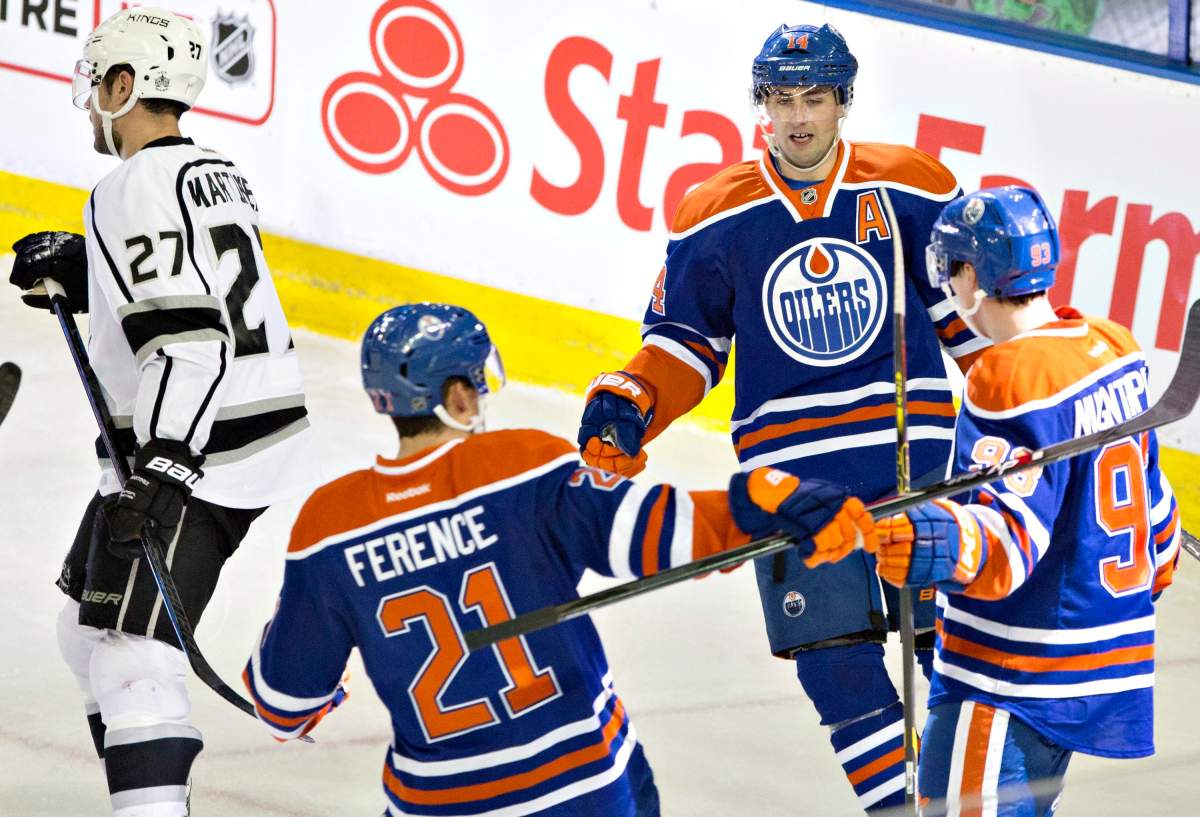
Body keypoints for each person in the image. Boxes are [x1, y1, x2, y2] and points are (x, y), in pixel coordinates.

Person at [242, 303, 875, 817]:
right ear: (457, 396)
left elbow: (282, 701)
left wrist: (300, 683)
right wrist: (764, 500)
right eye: (477, 381)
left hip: (438, 802)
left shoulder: (328, 526)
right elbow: (657, 531)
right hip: (580, 788)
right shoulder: (520, 468)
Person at [576, 22, 987, 813]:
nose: (799, 117)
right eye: (782, 99)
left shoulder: (914, 187)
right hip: (794, 486)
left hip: (921, 471)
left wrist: (1035, 402)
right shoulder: (714, 214)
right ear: (762, 105)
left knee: (959, 654)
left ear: (843, 102)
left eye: (816, 98)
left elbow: (971, 323)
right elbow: (684, 345)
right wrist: (632, 400)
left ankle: (974, 800)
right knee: (836, 672)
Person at [8, 8, 314, 816]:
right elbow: (197, 284)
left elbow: (190, 341)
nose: (87, 106)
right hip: (252, 423)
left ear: (124, 86)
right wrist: (90, 279)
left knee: (127, 656)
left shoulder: (128, 186)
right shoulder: (210, 169)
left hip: (203, 448)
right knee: (84, 629)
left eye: (97, 86)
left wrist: (165, 472)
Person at [868, 186, 1181, 815]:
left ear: (971, 276)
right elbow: (1158, 523)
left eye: (951, 270)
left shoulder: (1007, 377)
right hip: (1099, 666)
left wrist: (934, 541)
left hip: (1011, 680)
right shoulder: (1115, 345)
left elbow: (1007, 540)